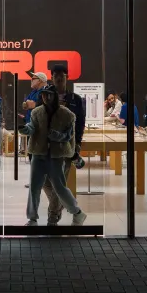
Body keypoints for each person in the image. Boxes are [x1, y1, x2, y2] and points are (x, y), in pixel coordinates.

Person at [21, 85, 87, 226]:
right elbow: (32, 128)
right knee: (34, 187)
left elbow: (70, 136)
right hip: (39, 154)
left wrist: (58, 137)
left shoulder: (67, 114)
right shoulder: (37, 112)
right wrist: (24, 129)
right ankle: (32, 218)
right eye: (44, 95)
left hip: (56, 156)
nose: (46, 97)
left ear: (55, 96)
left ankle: (77, 212)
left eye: (49, 95)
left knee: (60, 188)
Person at [43, 64, 87, 226]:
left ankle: (52, 218)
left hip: (67, 146)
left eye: (62, 75)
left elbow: (80, 123)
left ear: (67, 77)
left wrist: (78, 144)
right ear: (52, 77)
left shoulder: (75, 99)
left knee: (59, 183)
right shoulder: (46, 96)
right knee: (45, 182)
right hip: (46, 146)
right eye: (56, 76)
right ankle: (69, 208)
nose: (59, 78)